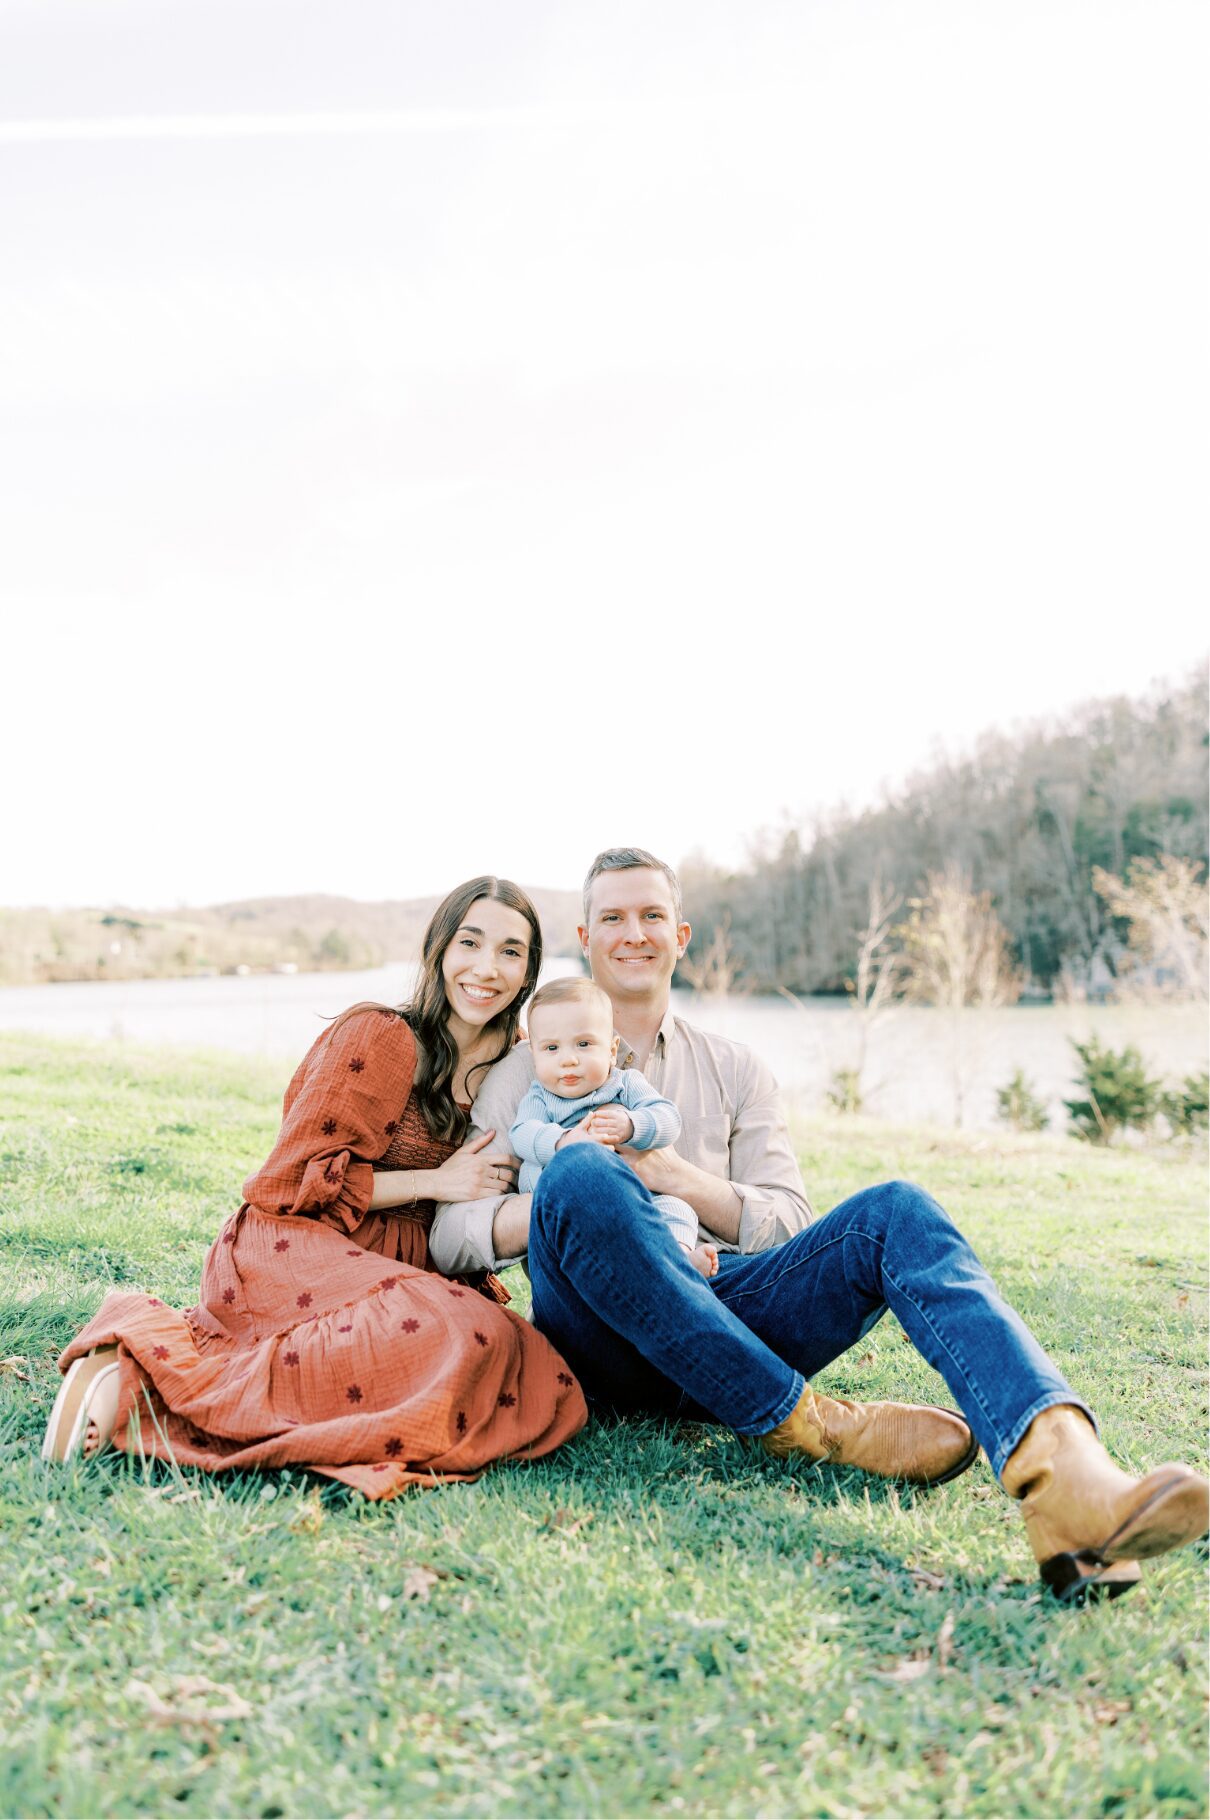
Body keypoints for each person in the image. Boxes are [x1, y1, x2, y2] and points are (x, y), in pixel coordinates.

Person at [432, 847, 1209, 1602]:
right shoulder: (522, 1070)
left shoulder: (737, 1068)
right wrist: (588, 1201)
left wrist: (673, 1179)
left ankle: (1062, 1472)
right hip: (605, 1340)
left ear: (680, 936)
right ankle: (811, 1425)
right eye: (612, 918)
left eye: (652, 915)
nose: (633, 933)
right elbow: (448, 1234)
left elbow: (787, 1221)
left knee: (897, 1212)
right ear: (585, 937)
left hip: (725, 1292)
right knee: (579, 1175)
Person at [42, 877, 586, 1497]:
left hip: (413, 1263)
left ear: (528, 972)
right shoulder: (382, 1036)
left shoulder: (525, 1063)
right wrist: (439, 1180)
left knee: (523, 1356)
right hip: (299, 1242)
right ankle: (131, 1378)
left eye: (511, 952)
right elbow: (288, 1181)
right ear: (439, 950)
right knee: (459, 1332)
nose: (486, 968)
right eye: (471, 942)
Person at [510, 976, 718, 1278]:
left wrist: (631, 1125)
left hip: (637, 1201)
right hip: (578, 1203)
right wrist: (564, 1141)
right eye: (551, 1048)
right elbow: (522, 1133)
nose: (568, 1060)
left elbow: (668, 1117)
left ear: (611, 1049)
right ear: (534, 1055)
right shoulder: (541, 1097)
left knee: (677, 1208)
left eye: (583, 1044)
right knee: (536, 1174)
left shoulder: (625, 1083)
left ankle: (680, 1260)